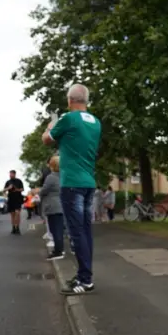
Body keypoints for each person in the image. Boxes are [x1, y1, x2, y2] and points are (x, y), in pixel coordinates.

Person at [42, 83, 102, 294]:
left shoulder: (68, 119)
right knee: (85, 231)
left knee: (76, 233)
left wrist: (51, 124)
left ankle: (85, 280)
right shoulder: (96, 122)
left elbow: (47, 140)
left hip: (72, 184)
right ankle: (85, 275)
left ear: (70, 100)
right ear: (86, 100)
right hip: (88, 183)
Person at [39, 156, 64, 260]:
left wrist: (38, 192)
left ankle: (58, 252)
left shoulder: (51, 177)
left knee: (55, 229)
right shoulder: (63, 176)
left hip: (53, 206)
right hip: (61, 205)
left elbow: (44, 190)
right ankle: (59, 249)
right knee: (59, 229)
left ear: (52, 165)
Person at [3, 170, 24, 234]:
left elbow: (22, 189)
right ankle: (13, 228)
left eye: (12, 174)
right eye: (10, 174)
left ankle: (17, 227)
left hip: (18, 199)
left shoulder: (19, 181)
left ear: (14, 174)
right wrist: (8, 188)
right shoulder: (8, 182)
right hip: (11, 199)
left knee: (17, 213)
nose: (10, 175)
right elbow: (3, 190)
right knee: (12, 215)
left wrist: (17, 189)